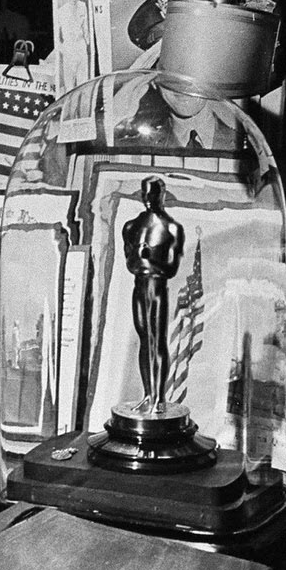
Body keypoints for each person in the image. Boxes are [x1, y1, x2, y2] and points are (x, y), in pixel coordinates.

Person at [121, 176, 185, 411]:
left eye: (154, 193)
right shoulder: (131, 226)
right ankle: (148, 394)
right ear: (141, 195)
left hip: (157, 286)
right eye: (146, 194)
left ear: (162, 195)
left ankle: (159, 397)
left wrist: (148, 257)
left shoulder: (172, 228)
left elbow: (171, 268)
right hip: (139, 285)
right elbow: (129, 263)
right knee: (143, 339)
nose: (149, 198)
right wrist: (139, 256)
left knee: (156, 340)